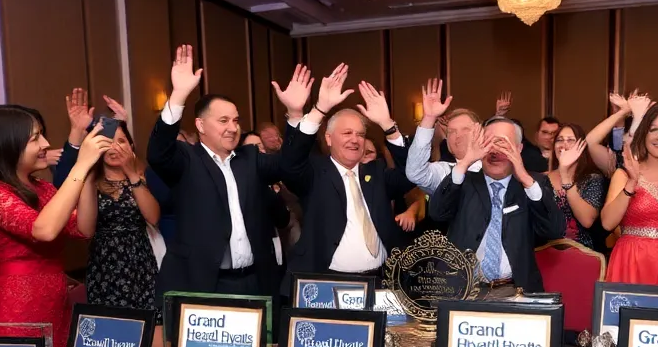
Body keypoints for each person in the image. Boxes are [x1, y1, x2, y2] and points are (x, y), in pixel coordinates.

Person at [0, 106, 106, 347]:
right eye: (35, 139)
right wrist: (80, 164)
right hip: (16, 307)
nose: (45, 144)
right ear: (7, 145)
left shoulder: (42, 187)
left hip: (55, 302)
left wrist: (88, 172)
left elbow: (83, 228)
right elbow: (44, 230)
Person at [148, 45, 297, 301]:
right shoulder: (187, 159)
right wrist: (179, 95)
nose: (232, 128)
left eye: (236, 120)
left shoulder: (249, 159)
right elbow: (158, 153)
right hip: (204, 283)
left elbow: (290, 163)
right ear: (200, 125)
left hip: (254, 282)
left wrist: (295, 115)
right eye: (223, 121)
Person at [273, 64, 416, 284]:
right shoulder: (313, 174)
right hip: (327, 283)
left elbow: (412, 173)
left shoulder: (376, 173)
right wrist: (319, 110)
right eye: (347, 133)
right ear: (329, 139)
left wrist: (388, 125)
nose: (355, 139)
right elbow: (290, 163)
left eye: (360, 134)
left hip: (380, 281)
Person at [428, 117, 563, 292]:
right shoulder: (464, 182)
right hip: (462, 291)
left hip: (515, 291)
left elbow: (554, 230)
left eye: (502, 144)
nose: (494, 151)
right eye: (488, 143)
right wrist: (465, 162)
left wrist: (524, 178)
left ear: (518, 149)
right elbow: (437, 213)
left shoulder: (534, 184)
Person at [600, 103, 658, 286]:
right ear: (644, 134)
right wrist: (632, 182)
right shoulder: (624, 173)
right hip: (630, 260)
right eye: (653, 130)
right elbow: (607, 223)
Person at [84, 120, 160, 313]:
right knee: (110, 330)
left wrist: (131, 173)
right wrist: (88, 174)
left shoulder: (142, 178)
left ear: (131, 146)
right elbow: (85, 229)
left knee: (147, 325)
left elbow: (153, 218)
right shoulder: (91, 182)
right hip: (104, 264)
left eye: (121, 141)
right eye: (107, 141)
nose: (114, 147)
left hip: (140, 261)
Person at [405, 79, 482, 194]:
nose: (458, 136)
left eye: (465, 130)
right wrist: (429, 118)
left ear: (480, 132)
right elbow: (415, 173)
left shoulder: (496, 168)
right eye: (451, 131)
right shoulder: (444, 173)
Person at [544, 123, 604, 247]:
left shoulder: (592, 179)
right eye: (559, 140)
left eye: (571, 140)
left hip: (581, 253)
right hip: (545, 251)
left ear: (582, 147)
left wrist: (565, 175)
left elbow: (587, 220)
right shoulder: (542, 180)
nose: (564, 144)